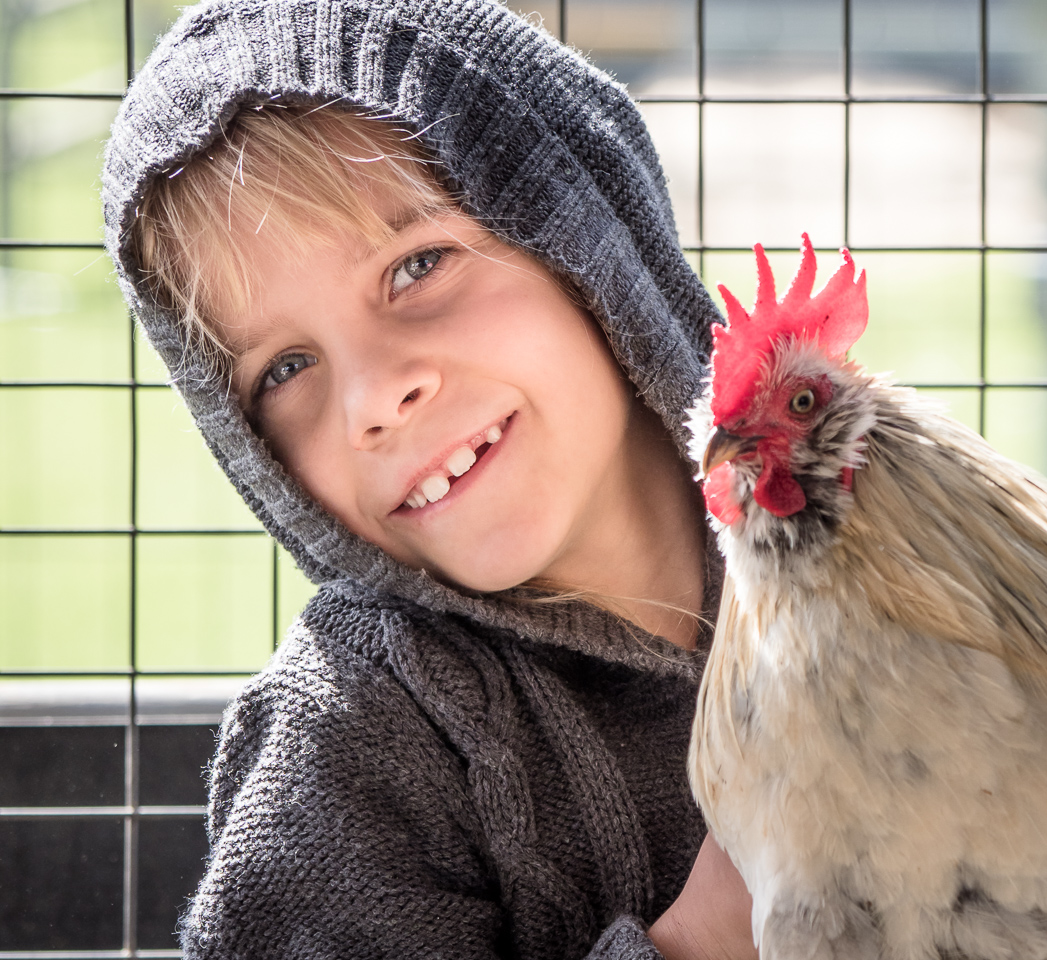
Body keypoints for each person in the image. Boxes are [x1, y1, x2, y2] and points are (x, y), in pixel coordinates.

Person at [102, 0, 757, 957]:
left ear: (590, 242)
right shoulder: (350, 743)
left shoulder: (889, 563)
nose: (372, 399)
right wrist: (701, 946)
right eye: (283, 369)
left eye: (418, 266)